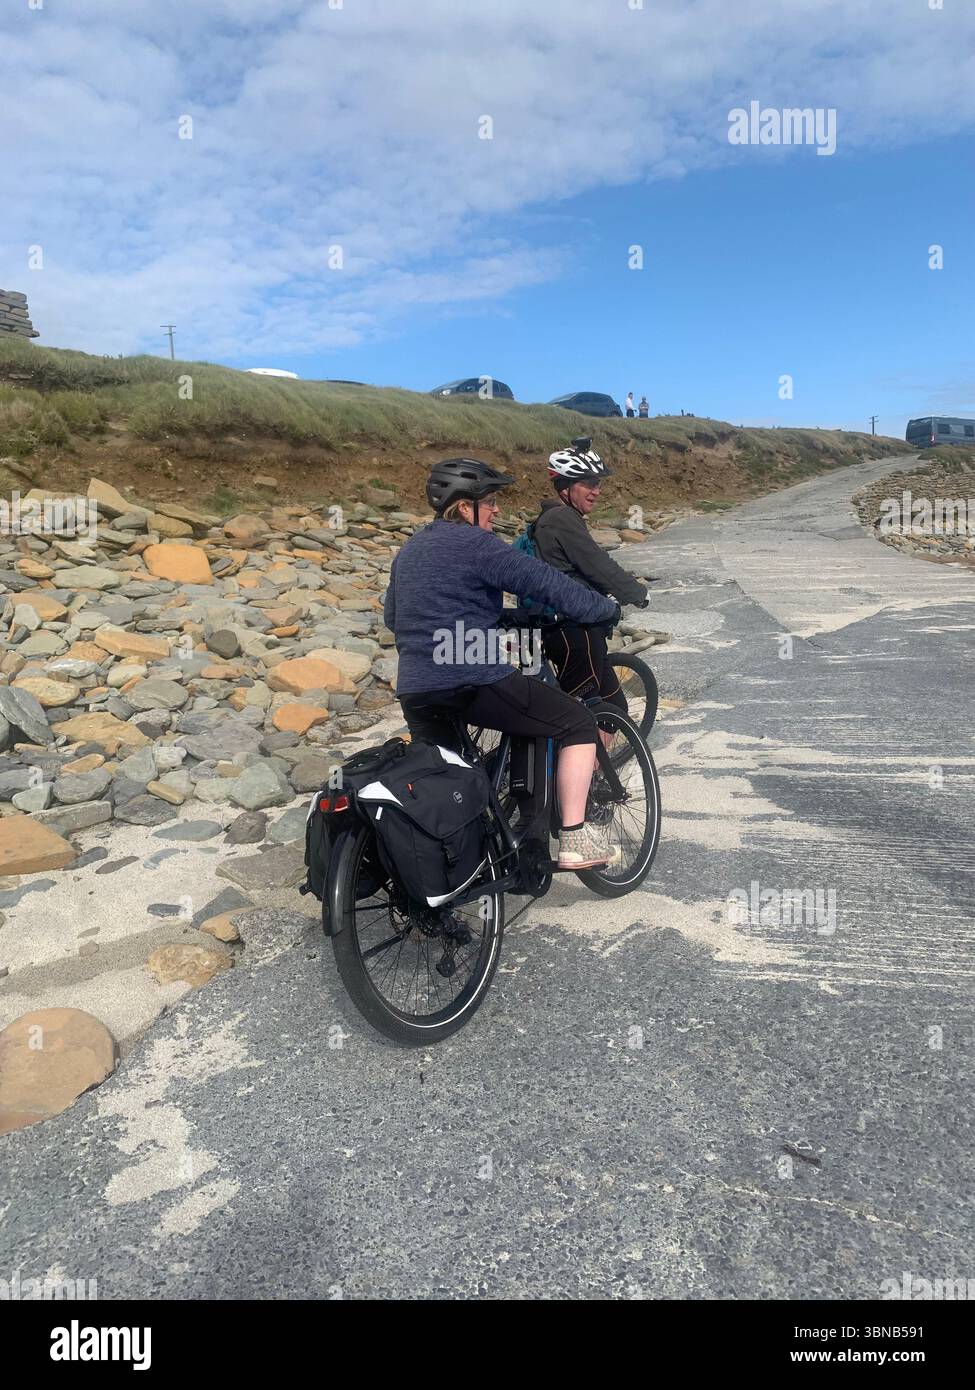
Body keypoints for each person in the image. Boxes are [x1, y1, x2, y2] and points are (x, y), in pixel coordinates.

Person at [384, 457, 622, 869]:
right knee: (576, 722)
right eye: (490, 502)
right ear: (464, 508)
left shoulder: (409, 550)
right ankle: (575, 838)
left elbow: (394, 617)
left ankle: (464, 869)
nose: (497, 510)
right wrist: (603, 608)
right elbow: (548, 584)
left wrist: (482, 617)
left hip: (415, 688)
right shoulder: (479, 545)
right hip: (473, 678)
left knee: (453, 782)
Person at [532, 439, 648, 713]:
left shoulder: (557, 517)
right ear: (566, 487)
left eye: (598, 484)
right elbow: (597, 564)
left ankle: (599, 758)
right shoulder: (561, 518)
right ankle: (570, 756)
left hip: (579, 628)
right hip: (573, 631)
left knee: (614, 707)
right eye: (588, 483)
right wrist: (637, 593)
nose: (597, 491)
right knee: (579, 715)